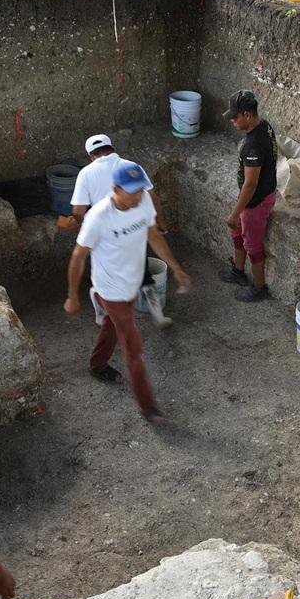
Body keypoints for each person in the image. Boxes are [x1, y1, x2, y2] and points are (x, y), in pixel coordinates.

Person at [64, 161, 191, 424]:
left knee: (113, 325)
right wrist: (73, 296)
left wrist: (176, 268)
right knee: (132, 346)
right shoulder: (98, 217)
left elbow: (152, 234)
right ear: (116, 189)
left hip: (131, 282)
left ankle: (97, 365)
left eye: (140, 190)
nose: (138, 195)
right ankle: (149, 408)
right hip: (111, 289)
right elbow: (78, 256)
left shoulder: (142, 201)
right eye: (131, 191)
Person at [68, 134, 172, 329]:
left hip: (103, 235)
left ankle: (101, 315)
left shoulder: (86, 173)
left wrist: (83, 226)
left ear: (91, 155)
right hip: (132, 228)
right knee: (143, 272)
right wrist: (160, 221)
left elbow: (78, 211)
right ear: (112, 147)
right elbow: (152, 196)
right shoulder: (131, 166)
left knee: (105, 280)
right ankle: (158, 315)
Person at [219, 89, 278, 303]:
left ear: (247, 114)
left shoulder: (254, 144)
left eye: (235, 117)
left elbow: (251, 183)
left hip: (256, 202)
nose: (232, 121)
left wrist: (236, 213)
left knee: (253, 245)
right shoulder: (264, 126)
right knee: (237, 235)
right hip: (253, 197)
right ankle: (238, 271)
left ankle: (259, 287)